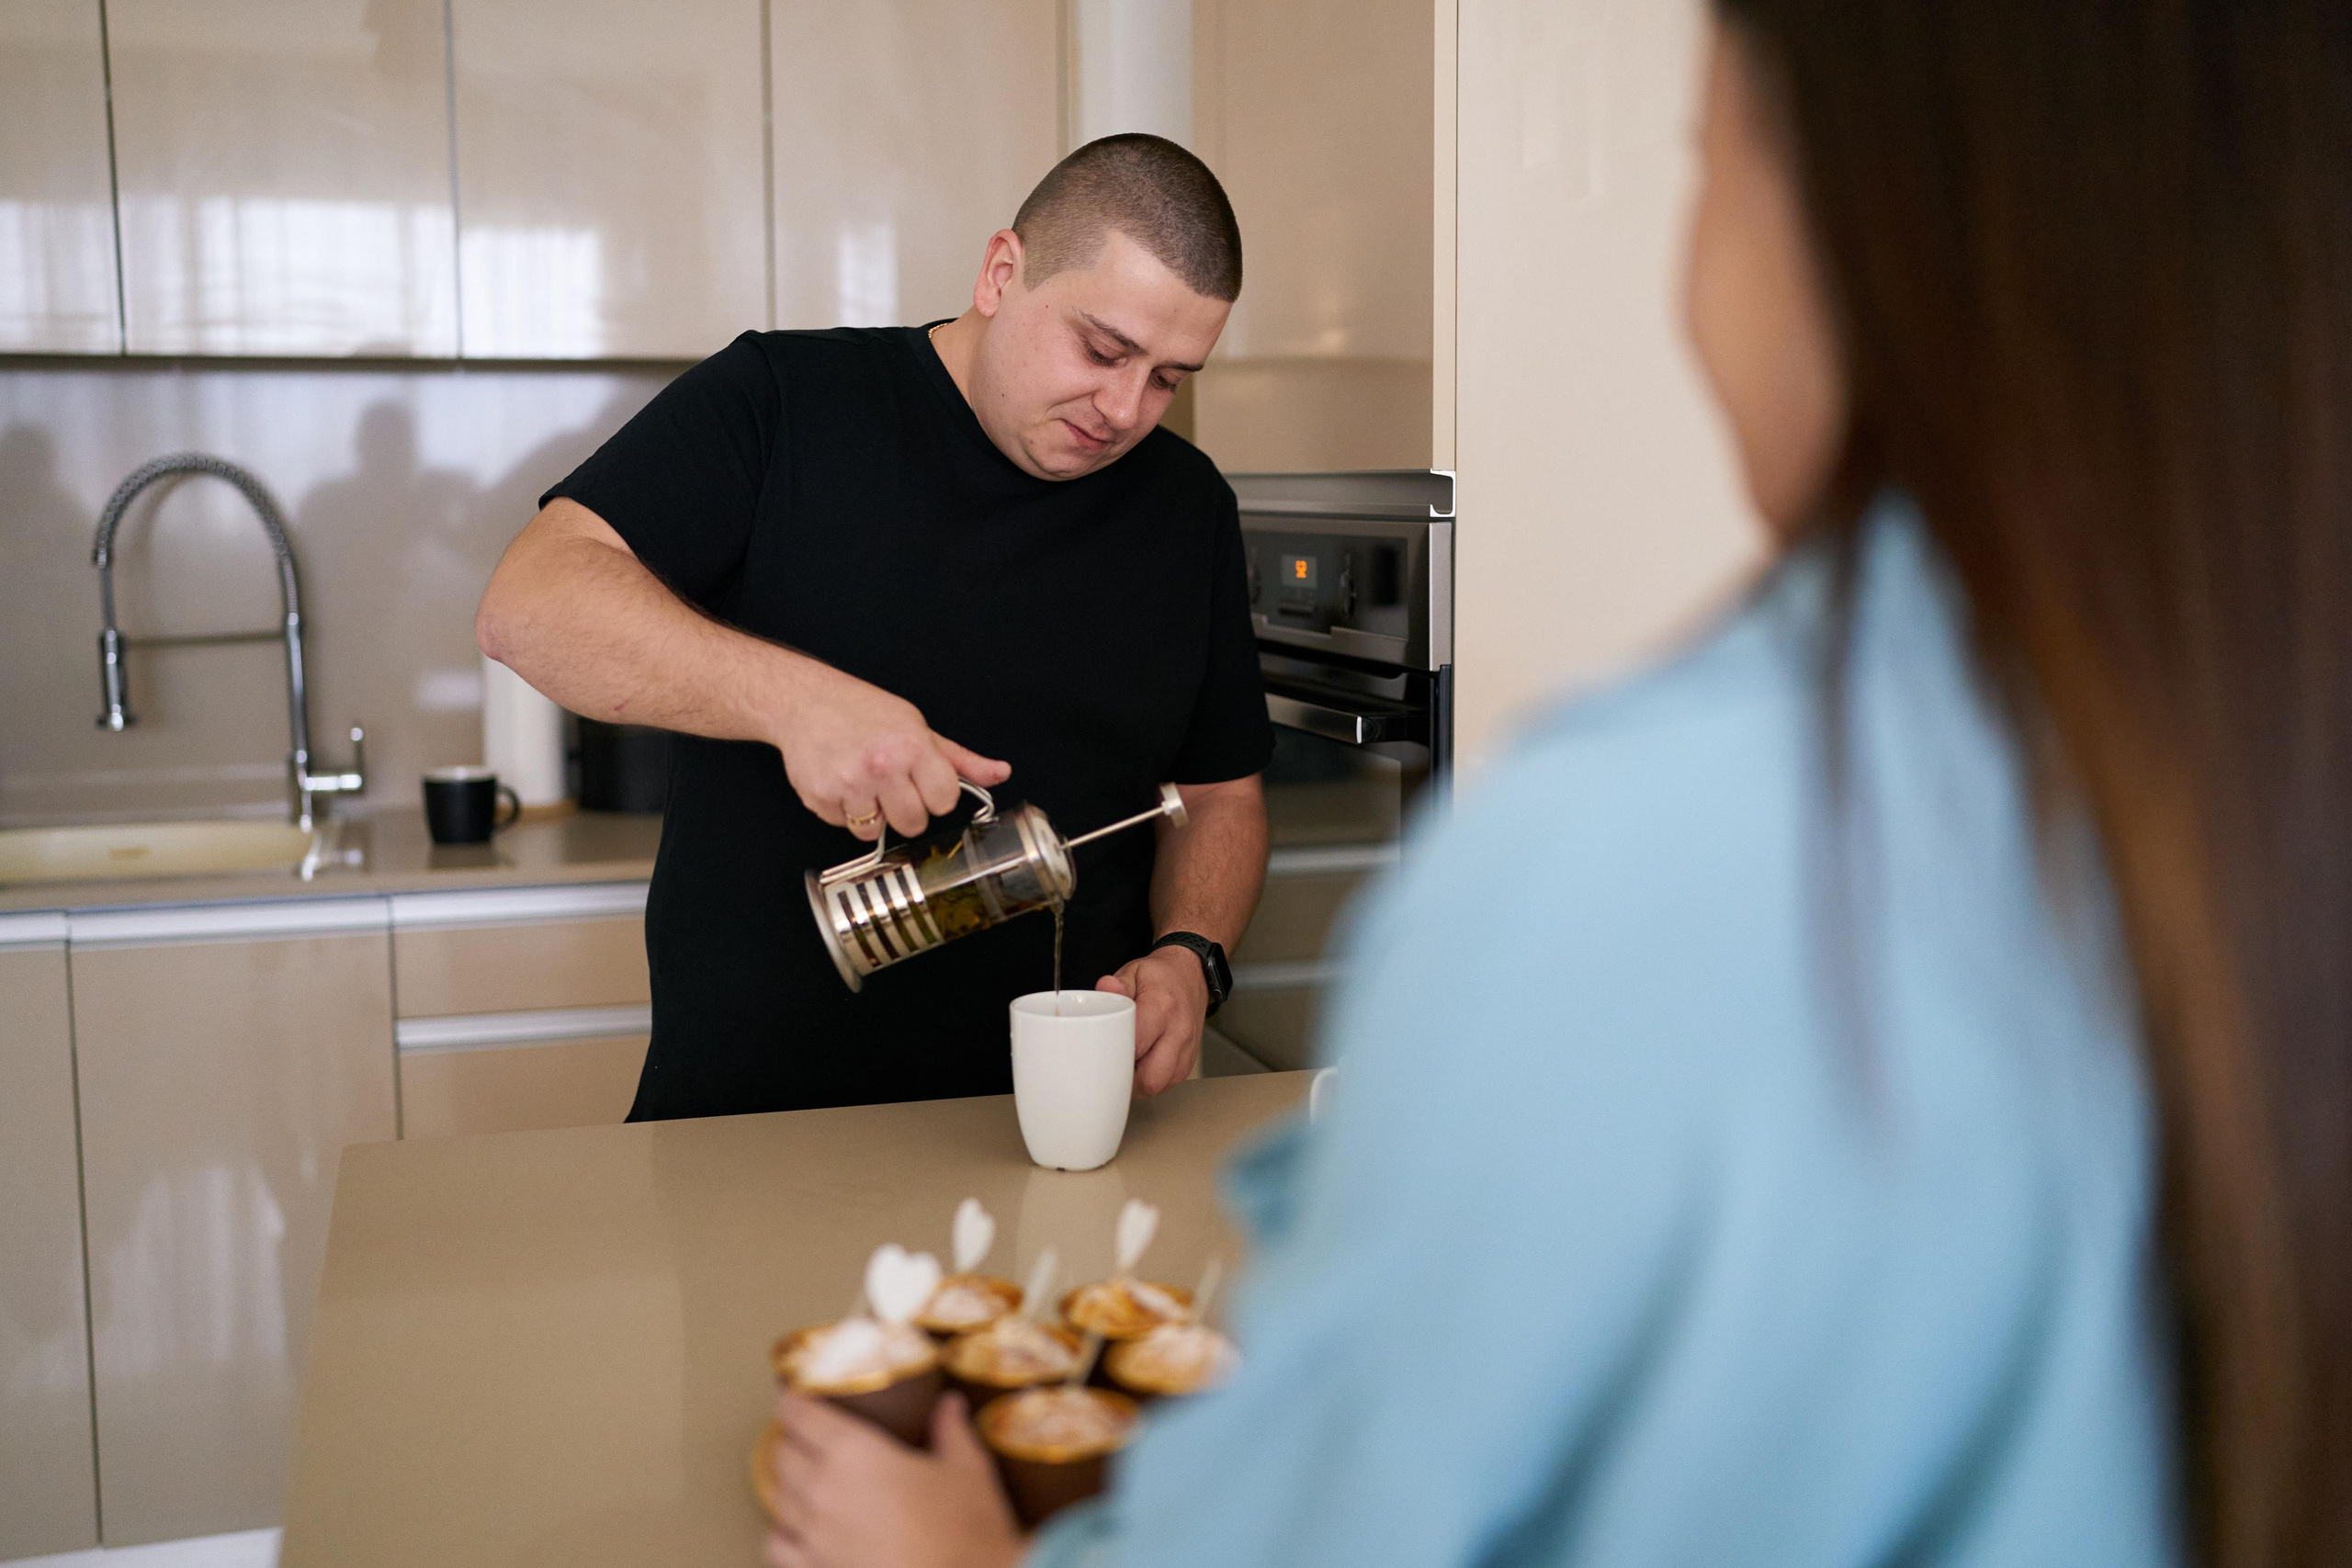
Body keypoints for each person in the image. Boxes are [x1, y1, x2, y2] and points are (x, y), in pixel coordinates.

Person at [763, 2, 2352, 1565]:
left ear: (1834, 223)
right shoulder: (2253, 773)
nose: (1123, 405)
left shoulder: (1624, 859)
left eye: (1702, 157)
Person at [476, 135, 1273, 1121]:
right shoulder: (783, 402)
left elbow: (1220, 795)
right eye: (1102, 350)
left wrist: (1192, 957)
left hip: (1064, 1124)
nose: (1122, 409)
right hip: (756, 1131)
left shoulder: (1186, 508)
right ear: (1000, 273)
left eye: (1167, 379)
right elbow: (528, 603)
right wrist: (794, 702)